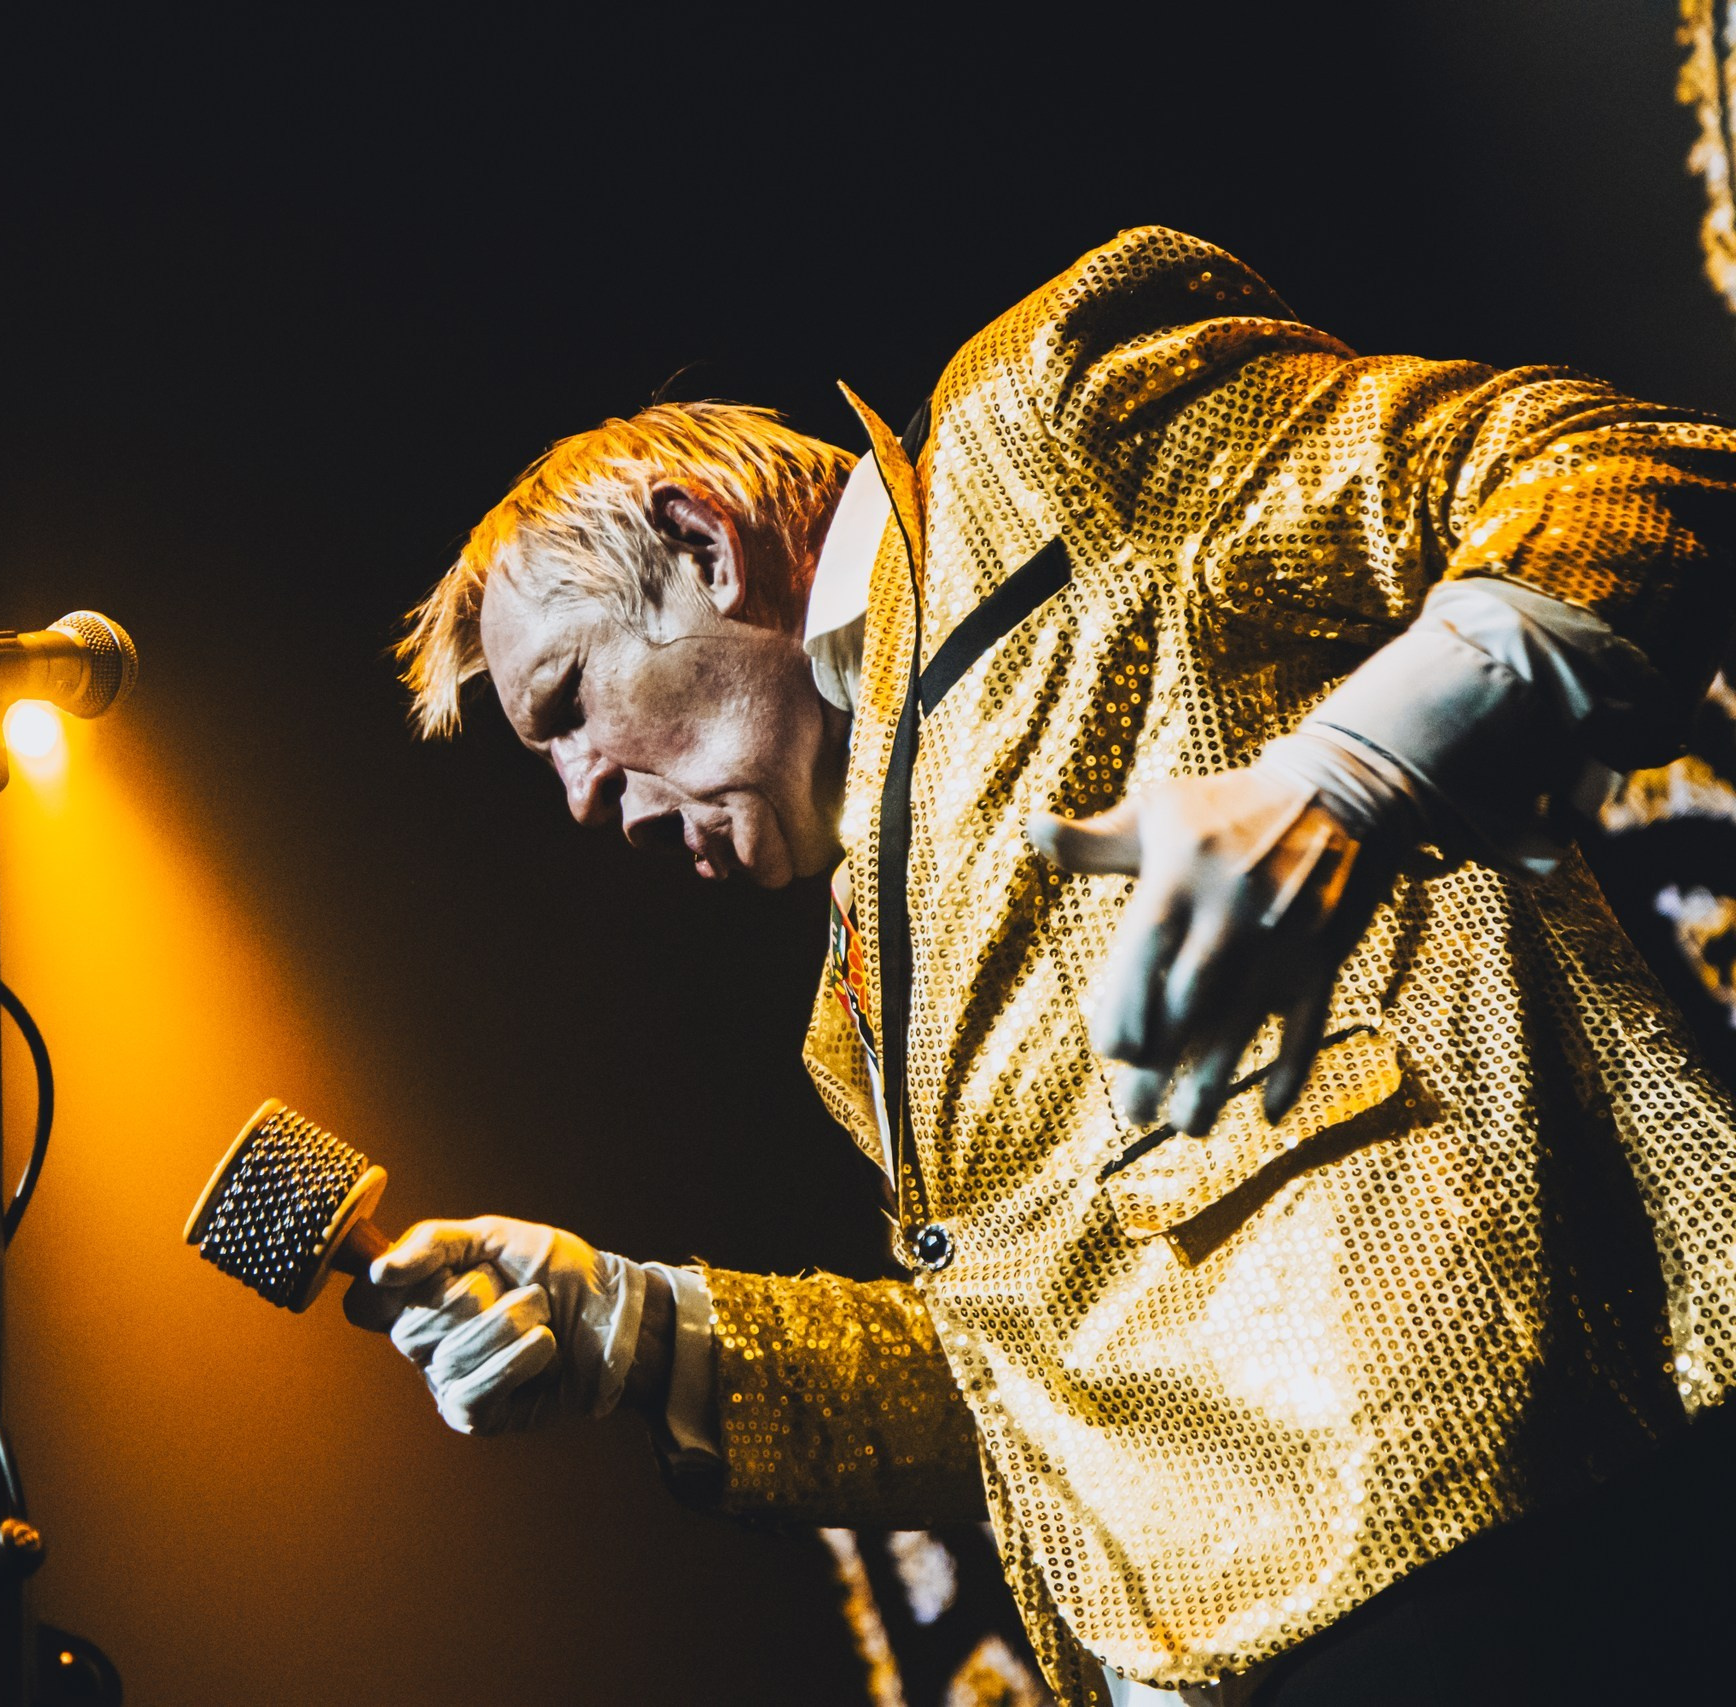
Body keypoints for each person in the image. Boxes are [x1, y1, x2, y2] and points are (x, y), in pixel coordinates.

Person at [352, 227, 1736, 1706]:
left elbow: (1634, 471)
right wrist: (638, 1328)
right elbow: (1031, 1379)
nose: (578, 793)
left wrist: (1347, 771)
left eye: (566, 704)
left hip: (1511, 1541)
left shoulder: (1041, 431)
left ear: (704, 547)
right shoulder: (850, 997)